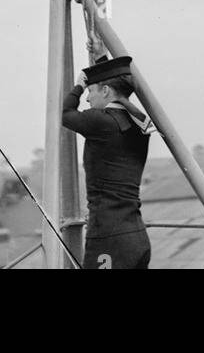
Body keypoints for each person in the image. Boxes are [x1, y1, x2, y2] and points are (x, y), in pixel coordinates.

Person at [61, 54, 152, 270]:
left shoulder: (99, 120)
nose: (87, 98)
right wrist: (99, 58)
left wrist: (78, 85)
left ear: (105, 91)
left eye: (91, 91)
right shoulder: (139, 124)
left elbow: (64, 113)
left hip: (108, 239)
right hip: (137, 237)